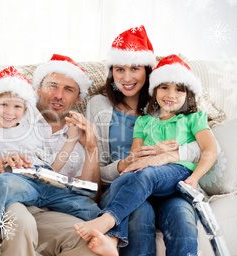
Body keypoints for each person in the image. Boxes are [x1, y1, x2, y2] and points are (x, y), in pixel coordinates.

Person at [79, 26, 206, 256]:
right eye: (119, 69)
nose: (126, 78)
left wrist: (166, 156)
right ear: (112, 72)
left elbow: (202, 145)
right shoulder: (99, 105)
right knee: (140, 214)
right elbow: (95, 166)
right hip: (124, 185)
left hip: (169, 185)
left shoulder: (168, 98)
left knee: (182, 216)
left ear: (148, 71)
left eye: (135, 69)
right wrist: (125, 164)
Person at [0, 54, 101, 256]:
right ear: (38, 90)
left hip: (45, 193)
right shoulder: (8, 118)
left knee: (91, 232)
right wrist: (2, 163)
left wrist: (90, 148)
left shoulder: (77, 135)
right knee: (19, 218)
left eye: (68, 89)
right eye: (53, 85)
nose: (58, 95)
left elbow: (58, 174)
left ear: (77, 99)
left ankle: (112, 236)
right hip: (1, 189)